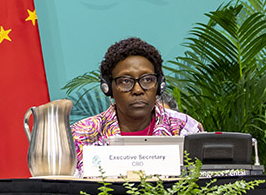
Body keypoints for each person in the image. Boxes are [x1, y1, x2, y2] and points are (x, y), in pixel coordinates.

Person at [71, 37, 202, 173]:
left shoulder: (184, 129)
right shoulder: (81, 135)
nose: (138, 90)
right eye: (126, 81)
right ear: (108, 88)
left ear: (159, 85)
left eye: (147, 79)